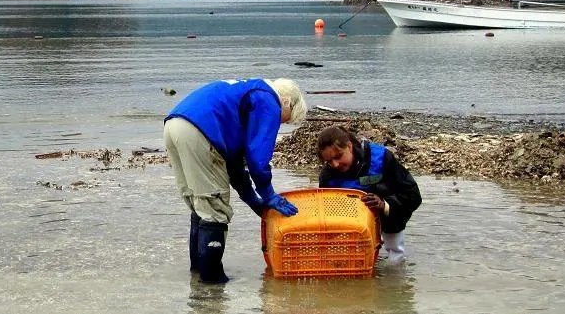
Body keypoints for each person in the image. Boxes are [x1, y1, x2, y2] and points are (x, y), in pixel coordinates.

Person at [163, 78, 307, 283]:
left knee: (200, 204)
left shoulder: (247, 94)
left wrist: (253, 200)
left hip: (175, 123)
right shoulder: (269, 100)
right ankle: (212, 284)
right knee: (215, 210)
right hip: (201, 129)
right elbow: (258, 158)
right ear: (287, 103)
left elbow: (234, 167)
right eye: (285, 120)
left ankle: (197, 276)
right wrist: (268, 194)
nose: (280, 123)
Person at [316, 125, 422, 264]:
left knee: (395, 262)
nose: (335, 164)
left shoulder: (381, 157)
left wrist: (384, 205)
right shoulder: (327, 176)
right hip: (351, 223)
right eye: (329, 161)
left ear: (349, 146)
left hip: (389, 215)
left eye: (338, 156)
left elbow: (413, 195)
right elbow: (327, 214)